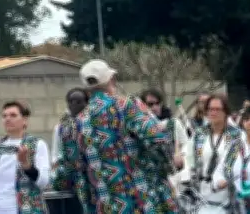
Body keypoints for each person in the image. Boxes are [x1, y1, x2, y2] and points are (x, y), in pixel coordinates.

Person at [60, 59, 180, 213]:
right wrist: (166, 168)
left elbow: (71, 170)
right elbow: (158, 140)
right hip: (141, 202)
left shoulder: (72, 126)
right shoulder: (126, 106)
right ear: (112, 79)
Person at [0, 100, 51, 214]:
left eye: (13, 115)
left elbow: (44, 182)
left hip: (27, 210)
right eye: (4, 116)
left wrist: (26, 165)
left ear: (25, 120)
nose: (7, 119)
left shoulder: (36, 144)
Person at [181, 93, 242, 213]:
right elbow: (189, 158)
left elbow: (241, 164)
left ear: (226, 112)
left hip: (226, 191)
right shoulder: (199, 134)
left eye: (217, 109)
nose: (213, 112)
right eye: (210, 109)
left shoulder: (237, 135)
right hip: (202, 190)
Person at [141, 88, 190, 194]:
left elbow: (187, 144)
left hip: (173, 175)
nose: (154, 107)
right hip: (151, 177)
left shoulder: (173, 123)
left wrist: (181, 155)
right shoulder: (140, 127)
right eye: (150, 104)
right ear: (143, 106)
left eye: (157, 103)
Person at [51, 88, 88, 164]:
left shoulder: (92, 124)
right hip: (68, 170)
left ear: (86, 103)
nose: (74, 105)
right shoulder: (60, 127)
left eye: (78, 102)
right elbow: (55, 153)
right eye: (71, 102)